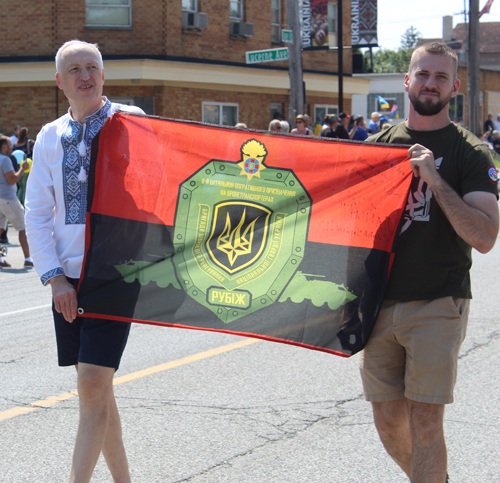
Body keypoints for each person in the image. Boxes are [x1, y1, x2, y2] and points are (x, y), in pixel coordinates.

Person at [360, 42, 499, 483]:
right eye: (423, 74)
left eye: (441, 77)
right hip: (378, 304)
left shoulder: (472, 153)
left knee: (425, 422)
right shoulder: (378, 146)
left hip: (438, 301)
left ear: (454, 87)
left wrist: (435, 180)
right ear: (407, 80)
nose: (430, 83)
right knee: (388, 421)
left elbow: (484, 237)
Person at [25, 39, 145, 483]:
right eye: (74, 69)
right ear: (60, 82)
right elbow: (37, 212)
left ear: (103, 75)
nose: (84, 75)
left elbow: (159, 188)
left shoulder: (133, 122)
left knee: (92, 382)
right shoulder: (49, 136)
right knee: (97, 389)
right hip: (68, 280)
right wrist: (54, 278)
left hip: (117, 271)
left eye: (91, 66)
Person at [0, 136, 32, 268]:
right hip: (8, 198)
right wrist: (23, 169)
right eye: (10, 144)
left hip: (1, 199)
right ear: (4, 147)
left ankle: (1, 260)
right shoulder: (5, 160)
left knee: (1, 228)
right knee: (24, 227)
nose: (12, 147)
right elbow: (12, 179)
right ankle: (29, 259)